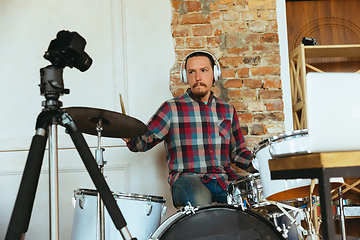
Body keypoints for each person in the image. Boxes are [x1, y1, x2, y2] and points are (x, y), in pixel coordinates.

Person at [123, 50, 255, 208]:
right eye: (191, 72)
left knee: (249, 196)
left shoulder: (227, 110)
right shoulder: (171, 108)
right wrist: (130, 136)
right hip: (186, 180)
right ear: (185, 77)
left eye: (204, 70)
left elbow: (238, 153)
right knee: (199, 197)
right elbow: (145, 140)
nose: (198, 77)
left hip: (221, 179)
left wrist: (263, 164)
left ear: (215, 73)